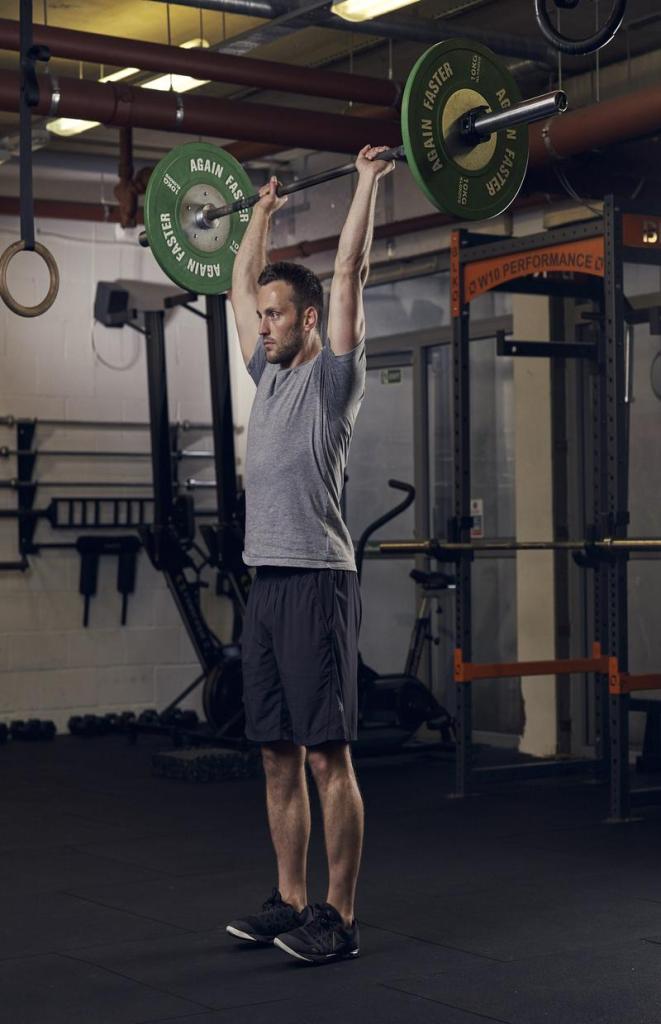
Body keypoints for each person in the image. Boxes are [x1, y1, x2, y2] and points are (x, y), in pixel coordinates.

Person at [225, 145, 394, 966]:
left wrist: (364, 185)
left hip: (319, 581)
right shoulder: (268, 376)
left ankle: (339, 916)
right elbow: (235, 285)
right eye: (261, 317)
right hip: (266, 580)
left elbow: (351, 271)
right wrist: (258, 214)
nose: (261, 325)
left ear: (307, 320)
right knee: (274, 751)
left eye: (275, 315)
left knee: (328, 753)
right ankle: (288, 901)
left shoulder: (331, 379)